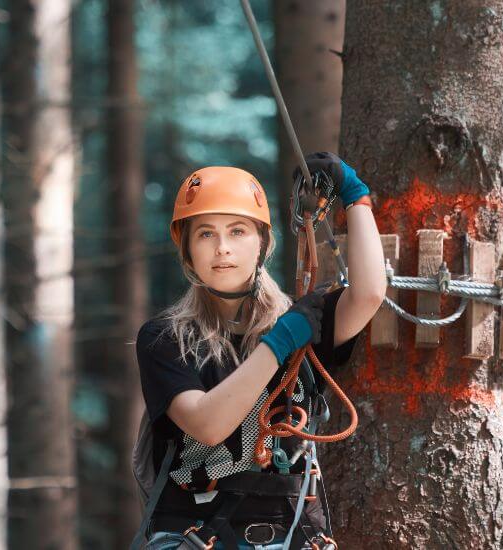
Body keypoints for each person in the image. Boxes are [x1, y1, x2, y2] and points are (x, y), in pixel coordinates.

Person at [135, 153, 387, 549]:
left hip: (293, 531)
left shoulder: (305, 322)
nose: (222, 248)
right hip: (197, 531)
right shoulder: (164, 339)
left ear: (262, 243)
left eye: (237, 232)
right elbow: (208, 424)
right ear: (186, 250)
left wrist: (356, 198)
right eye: (205, 234)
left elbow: (370, 294)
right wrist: (279, 344)